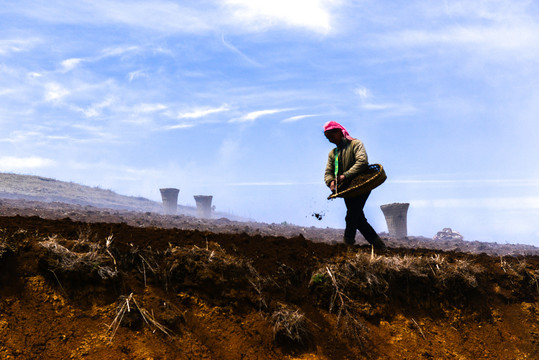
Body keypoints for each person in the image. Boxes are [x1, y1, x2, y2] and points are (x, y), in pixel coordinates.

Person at [323, 121, 387, 250]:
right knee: (359, 219)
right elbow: (328, 172)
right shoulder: (333, 154)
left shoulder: (356, 144)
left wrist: (345, 176)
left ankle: (348, 244)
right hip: (348, 189)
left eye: (332, 136)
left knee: (351, 216)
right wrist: (331, 182)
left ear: (340, 132)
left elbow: (362, 162)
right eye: (328, 138)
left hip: (361, 185)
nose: (330, 140)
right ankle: (380, 246)